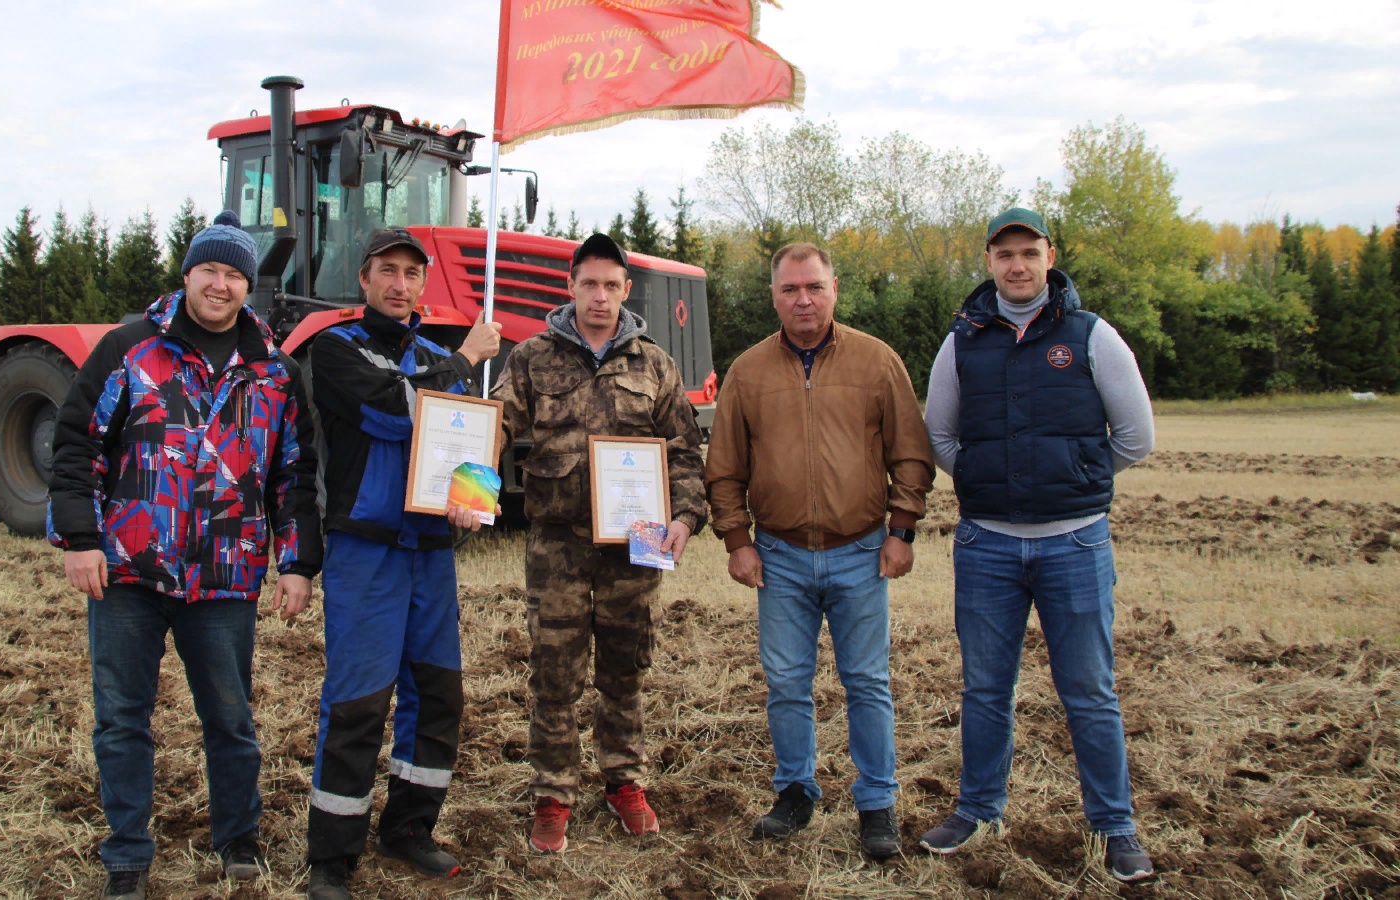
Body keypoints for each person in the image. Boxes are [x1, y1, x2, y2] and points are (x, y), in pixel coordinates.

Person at [49, 211, 323, 900]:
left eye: (234, 274)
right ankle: (126, 856)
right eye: (209, 270)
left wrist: (296, 563)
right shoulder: (129, 349)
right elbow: (77, 443)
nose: (220, 285)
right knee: (122, 719)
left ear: (248, 285)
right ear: (187, 274)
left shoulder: (275, 372)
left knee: (230, 718)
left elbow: (294, 475)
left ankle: (237, 839)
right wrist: (80, 539)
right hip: (129, 572)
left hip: (226, 577)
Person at [916, 208, 1157, 883]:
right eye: (1005, 255)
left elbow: (1136, 437)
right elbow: (939, 436)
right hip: (987, 545)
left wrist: (1075, 479)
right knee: (985, 689)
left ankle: (1114, 826)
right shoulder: (961, 342)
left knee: (1089, 691)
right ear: (989, 262)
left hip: (1075, 544)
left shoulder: (1091, 336)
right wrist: (986, 478)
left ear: (1050, 257)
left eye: (1029, 252)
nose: (1017, 265)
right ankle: (976, 810)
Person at [703, 242, 934, 862]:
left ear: (835, 289)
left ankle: (877, 802)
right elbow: (724, 467)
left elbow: (911, 453)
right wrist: (737, 540)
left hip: (862, 551)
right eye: (789, 289)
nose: (802, 299)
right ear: (773, 296)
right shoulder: (748, 371)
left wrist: (902, 529)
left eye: (814, 287)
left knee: (867, 681)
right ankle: (795, 792)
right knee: (786, 682)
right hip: (778, 556)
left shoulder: (877, 361)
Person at [490, 233, 707, 854]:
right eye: (589, 284)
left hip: (637, 542)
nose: (600, 296)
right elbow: (496, 426)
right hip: (556, 543)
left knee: (624, 667)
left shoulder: (655, 364)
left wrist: (685, 518)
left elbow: (684, 451)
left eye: (612, 285)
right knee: (554, 672)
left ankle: (624, 780)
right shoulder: (532, 358)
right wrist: (467, 478)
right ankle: (553, 792)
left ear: (626, 291)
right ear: (571, 287)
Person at [303, 228, 503, 900]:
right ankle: (333, 855)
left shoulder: (434, 355)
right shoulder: (334, 348)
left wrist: (474, 500)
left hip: (431, 554)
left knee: (438, 696)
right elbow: (392, 409)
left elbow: (471, 439)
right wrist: (464, 359)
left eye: (412, 274)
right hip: (366, 552)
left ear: (423, 285)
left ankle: (409, 827)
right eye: (386, 271)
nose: (399, 284)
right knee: (358, 702)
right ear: (364, 280)